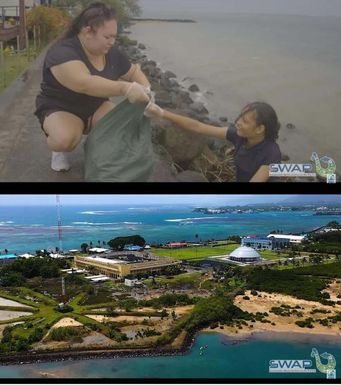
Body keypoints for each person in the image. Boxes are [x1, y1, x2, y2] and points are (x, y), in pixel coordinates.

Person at [35, 2, 151, 172]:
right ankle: (58, 151)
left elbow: (133, 71)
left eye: (114, 37)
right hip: (61, 108)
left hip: (96, 107)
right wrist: (125, 88)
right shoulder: (62, 52)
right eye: (107, 37)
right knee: (65, 139)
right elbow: (84, 83)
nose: (112, 42)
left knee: (122, 129)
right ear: (87, 31)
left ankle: (95, 148)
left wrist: (147, 90)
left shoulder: (111, 52)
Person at [144, 101, 282, 182]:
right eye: (240, 117)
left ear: (260, 129)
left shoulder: (271, 154)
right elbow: (198, 127)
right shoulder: (240, 136)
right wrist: (162, 113)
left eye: (245, 121)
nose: (237, 122)